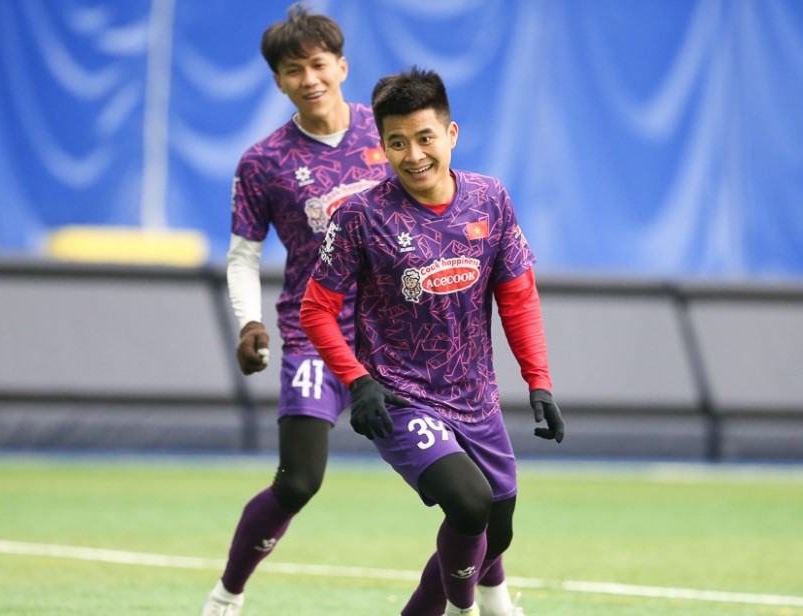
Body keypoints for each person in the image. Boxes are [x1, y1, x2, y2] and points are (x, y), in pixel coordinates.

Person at [300, 67, 565, 616]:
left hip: (475, 397)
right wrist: (359, 380)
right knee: (468, 504)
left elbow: (518, 298)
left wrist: (538, 382)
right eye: (397, 142)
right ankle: (470, 610)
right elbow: (317, 309)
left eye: (425, 138)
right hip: (398, 396)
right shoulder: (360, 215)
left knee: (497, 529)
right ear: (383, 146)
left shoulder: (490, 199)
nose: (414, 154)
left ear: (451, 135)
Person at [202, 4, 389, 615]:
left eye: (317, 64)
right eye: (292, 70)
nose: (308, 79)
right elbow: (242, 255)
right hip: (316, 331)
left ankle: (492, 599)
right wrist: (249, 321)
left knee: (466, 477)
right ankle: (227, 595)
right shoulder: (263, 162)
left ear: (341, 65)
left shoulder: (391, 135)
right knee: (300, 481)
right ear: (278, 81)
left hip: (403, 334)